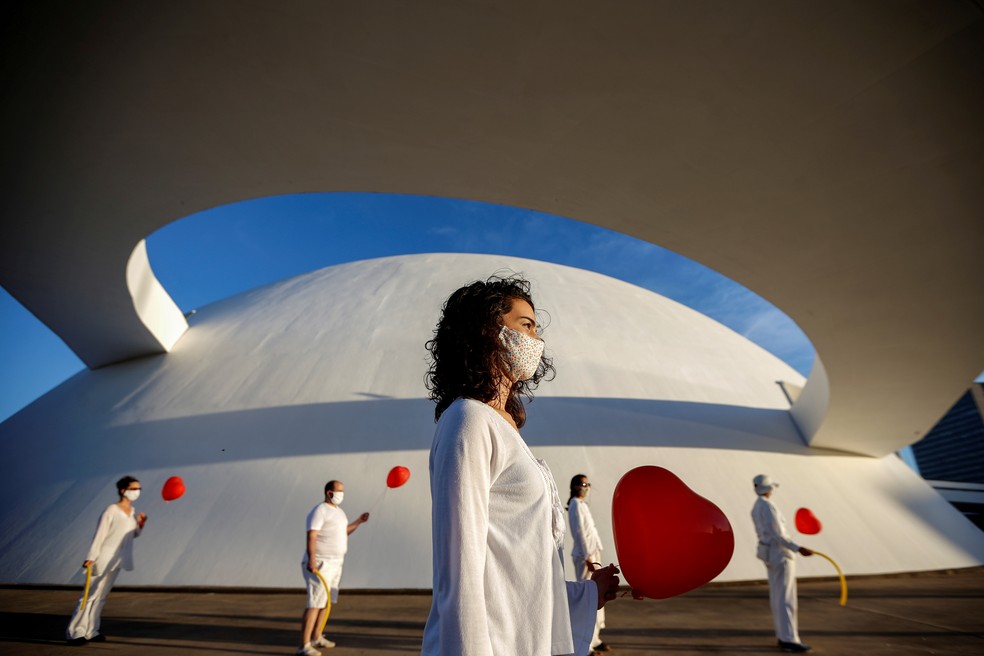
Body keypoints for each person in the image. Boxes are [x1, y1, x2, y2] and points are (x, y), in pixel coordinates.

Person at [422, 274, 620, 656]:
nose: (537, 340)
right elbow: (460, 573)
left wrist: (586, 594)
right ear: (487, 331)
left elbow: (519, 569)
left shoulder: (505, 427)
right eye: (525, 325)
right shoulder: (469, 420)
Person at [66, 475, 147, 646]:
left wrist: (140, 524)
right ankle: (75, 633)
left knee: (101, 597)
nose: (137, 492)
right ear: (122, 490)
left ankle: (91, 631)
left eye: (139, 489)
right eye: (134, 489)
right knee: (89, 595)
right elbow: (100, 534)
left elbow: (132, 535)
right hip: (102, 557)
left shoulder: (132, 512)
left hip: (117, 559)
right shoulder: (111, 510)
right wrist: (91, 557)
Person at [298, 480, 369, 656]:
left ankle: (316, 636)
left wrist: (359, 521)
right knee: (315, 603)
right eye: (339, 491)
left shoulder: (339, 512)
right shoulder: (319, 511)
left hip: (336, 563)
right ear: (329, 493)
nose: (341, 494)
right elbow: (312, 535)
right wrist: (312, 559)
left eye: (343, 491)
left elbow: (343, 531)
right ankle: (304, 645)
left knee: (326, 603)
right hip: (320, 563)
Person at [751, 474, 814, 653]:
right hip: (780, 555)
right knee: (786, 598)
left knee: (777, 596)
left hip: (769, 553)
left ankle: (783, 635)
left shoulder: (756, 507)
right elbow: (779, 535)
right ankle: (789, 639)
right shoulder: (768, 507)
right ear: (768, 489)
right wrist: (798, 548)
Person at [567, 475, 611, 655]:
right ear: (574, 486)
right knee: (590, 598)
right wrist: (588, 559)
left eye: (587, 484)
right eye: (582, 484)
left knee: (598, 597)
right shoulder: (575, 505)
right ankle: (586, 644)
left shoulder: (582, 505)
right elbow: (580, 534)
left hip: (593, 554)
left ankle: (595, 639)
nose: (585, 487)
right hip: (587, 557)